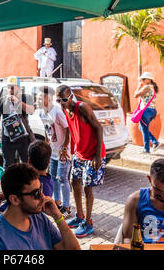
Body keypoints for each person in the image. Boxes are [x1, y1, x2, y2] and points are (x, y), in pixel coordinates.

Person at [0, 163, 80, 250]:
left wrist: (58, 216)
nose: (43, 196)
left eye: (40, 188)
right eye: (36, 193)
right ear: (15, 199)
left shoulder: (39, 218)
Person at [56, 85, 106, 238]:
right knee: (73, 181)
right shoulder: (66, 110)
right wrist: (65, 147)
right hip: (80, 153)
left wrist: (97, 156)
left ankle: (88, 223)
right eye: (58, 100)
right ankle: (79, 216)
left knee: (87, 188)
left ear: (70, 96)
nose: (62, 103)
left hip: (92, 155)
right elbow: (70, 130)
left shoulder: (82, 108)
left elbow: (99, 128)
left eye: (64, 99)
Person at [36, 85, 72, 217]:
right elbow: (47, 130)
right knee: (54, 178)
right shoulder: (41, 112)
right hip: (53, 151)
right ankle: (58, 202)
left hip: (63, 152)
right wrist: (47, 145)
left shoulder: (57, 112)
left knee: (62, 178)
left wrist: (64, 148)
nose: (37, 100)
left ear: (48, 98)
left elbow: (68, 129)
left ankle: (67, 207)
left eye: (40, 98)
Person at [0, 76, 35, 168]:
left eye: (12, 88)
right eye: (8, 87)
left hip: (23, 137)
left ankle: (25, 181)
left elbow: (31, 111)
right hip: (8, 138)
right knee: (8, 165)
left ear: (18, 88)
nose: (9, 90)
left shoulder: (26, 97)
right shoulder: (2, 100)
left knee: (26, 163)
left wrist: (18, 102)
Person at [134, 72, 160, 153]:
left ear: (149, 80)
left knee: (144, 129)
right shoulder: (152, 87)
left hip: (146, 111)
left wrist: (138, 86)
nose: (142, 81)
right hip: (152, 111)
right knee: (141, 128)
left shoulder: (147, 87)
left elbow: (135, 95)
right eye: (141, 79)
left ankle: (147, 149)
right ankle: (154, 142)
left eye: (143, 79)